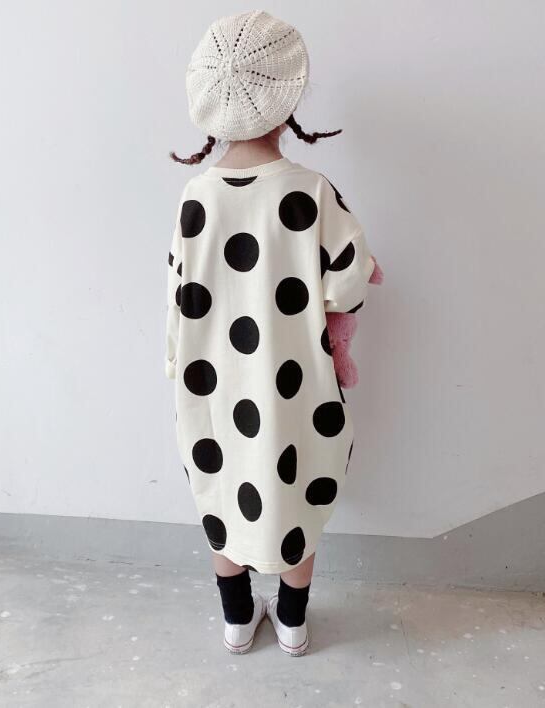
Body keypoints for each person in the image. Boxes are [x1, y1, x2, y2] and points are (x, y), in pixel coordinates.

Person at [164, 10, 377, 657]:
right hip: (295, 387)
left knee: (223, 493)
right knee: (296, 499)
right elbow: (350, 280)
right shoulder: (311, 192)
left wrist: (175, 365)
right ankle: (291, 621)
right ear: (285, 102)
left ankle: (237, 620)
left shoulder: (196, 198)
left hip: (212, 387)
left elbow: (179, 295)